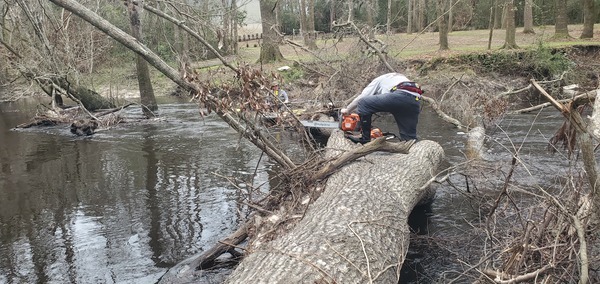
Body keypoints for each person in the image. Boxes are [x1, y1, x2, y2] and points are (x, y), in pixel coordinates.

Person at [341, 72, 423, 144]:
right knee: (409, 139)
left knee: (363, 103)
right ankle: (412, 151)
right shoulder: (398, 78)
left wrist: (348, 110)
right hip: (414, 101)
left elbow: (362, 98)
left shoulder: (378, 80)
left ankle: (365, 138)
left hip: (398, 96)